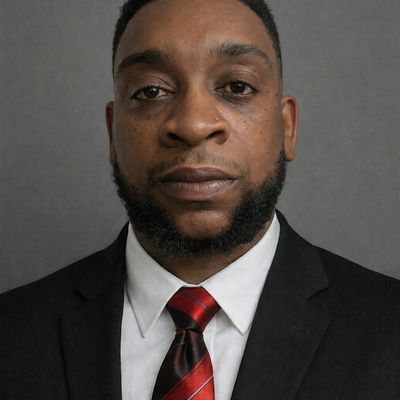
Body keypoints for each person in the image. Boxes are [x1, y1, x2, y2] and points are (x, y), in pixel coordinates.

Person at [1, 0, 399, 399]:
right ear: (112, 133)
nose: (193, 125)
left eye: (237, 87)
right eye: (151, 91)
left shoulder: (389, 330)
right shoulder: (12, 335)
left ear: (287, 128)